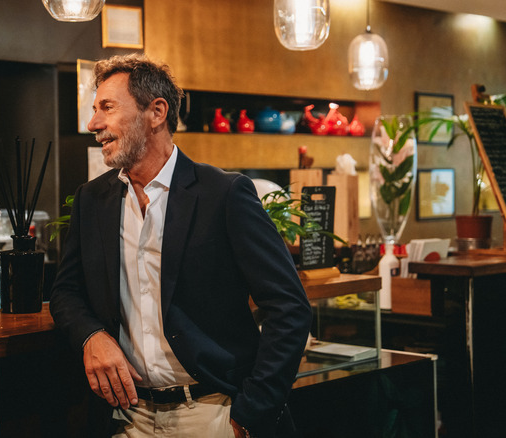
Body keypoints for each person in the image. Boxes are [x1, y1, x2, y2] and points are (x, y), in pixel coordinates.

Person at [49, 54, 311, 438]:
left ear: (156, 112)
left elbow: (290, 307)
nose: (94, 124)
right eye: (94, 110)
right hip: (126, 418)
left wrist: (252, 410)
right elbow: (66, 292)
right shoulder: (92, 199)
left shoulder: (223, 194)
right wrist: (92, 335)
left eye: (107, 108)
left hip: (213, 412)